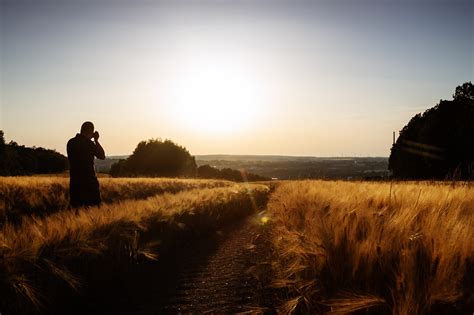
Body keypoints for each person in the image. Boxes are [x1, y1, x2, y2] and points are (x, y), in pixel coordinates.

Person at [67, 121, 106, 209]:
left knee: (76, 210)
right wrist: (96, 140)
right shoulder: (89, 144)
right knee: (94, 208)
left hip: (75, 182)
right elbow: (102, 156)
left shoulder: (70, 142)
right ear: (90, 132)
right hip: (89, 182)